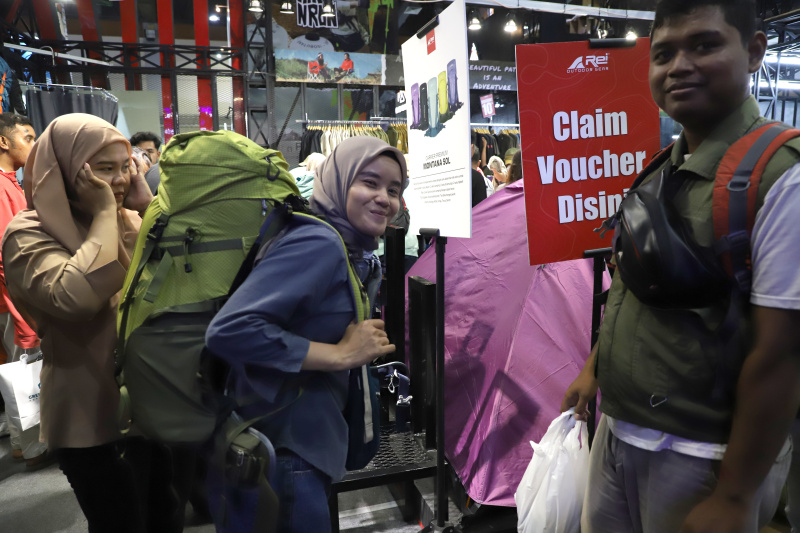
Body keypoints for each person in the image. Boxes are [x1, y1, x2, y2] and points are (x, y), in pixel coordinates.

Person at [561, 1, 800, 532]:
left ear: (755, 51)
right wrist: (592, 369)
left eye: (705, 44)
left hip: (703, 455)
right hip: (618, 430)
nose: (679, 66)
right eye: (663, 53)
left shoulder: (781, 177)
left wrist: (736, 497)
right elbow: (632, 284)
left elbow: (781, 355)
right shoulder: (661, 168)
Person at [205, 136, 404, 532]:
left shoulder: (351, 249)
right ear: (338, 180)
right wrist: (340, 355)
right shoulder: (319, 242)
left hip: (302, 443)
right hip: (287, 449)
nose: (384, 198)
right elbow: (228, 330)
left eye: (394, 189)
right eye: (369, 182)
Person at [2, 114, 182, 533]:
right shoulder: (27, 233)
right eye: (103, 169)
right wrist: (105, 216)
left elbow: (171, 285)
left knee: (165, 517)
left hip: (147, 404)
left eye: (125, 167)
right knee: (120, 522)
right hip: (89, 416)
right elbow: (75, 298)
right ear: (64, 170)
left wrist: (141, 210)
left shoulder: (129, 218)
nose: (117, 181)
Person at [0, 113, 47, 468]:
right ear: (4, 142)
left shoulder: (12, 182)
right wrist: (22, 307)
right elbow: (6, 257)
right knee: (22, 371)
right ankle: (28, 446)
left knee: (25, 368)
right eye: (27, 138)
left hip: (19, 294)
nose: (34, 144)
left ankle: (30, 441)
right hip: (12, 298)